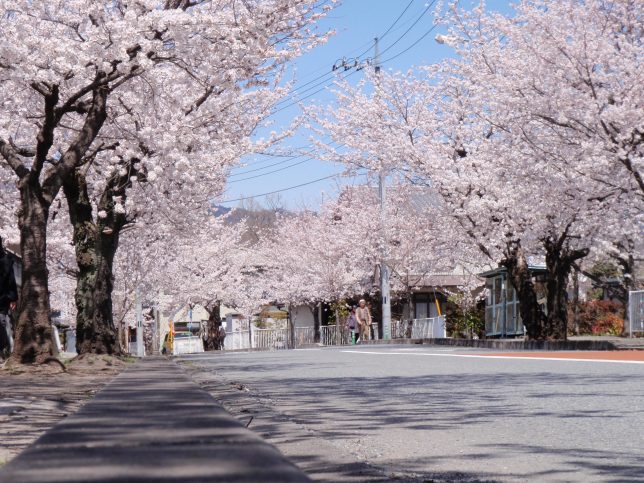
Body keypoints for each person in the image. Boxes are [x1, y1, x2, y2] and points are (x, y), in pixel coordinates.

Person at [0, 236, 18, 355]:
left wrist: (13, 298)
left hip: (2, 299)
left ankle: (1, 351)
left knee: (0, 323)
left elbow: (11, 280)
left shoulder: (6, 260)